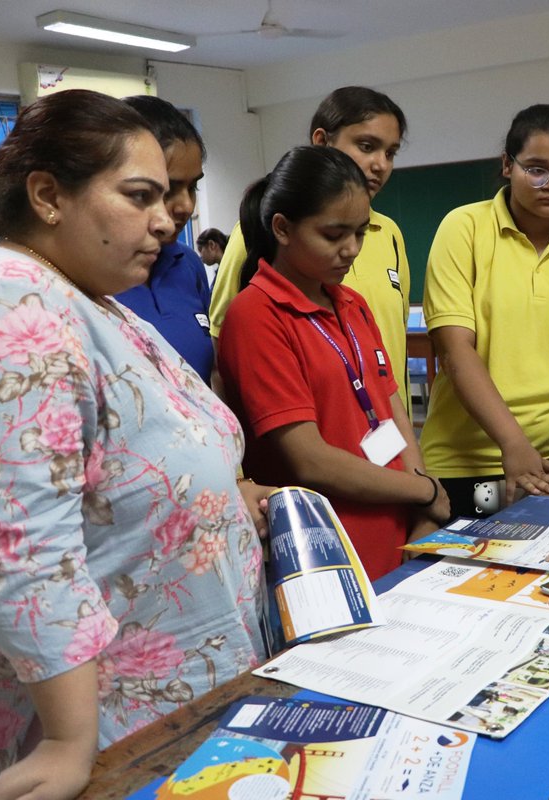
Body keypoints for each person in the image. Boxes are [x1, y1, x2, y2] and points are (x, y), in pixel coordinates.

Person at [0, 89, 271, 800]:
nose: (166, 221)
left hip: (161, 693)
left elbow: (132, 465)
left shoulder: (87, 299)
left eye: (169, 198)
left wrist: (234, 493)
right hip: (80, 717)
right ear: (47, 195)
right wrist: (70, 739)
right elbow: (14, 545)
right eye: (140, 196)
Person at [218, 145, 450, 580]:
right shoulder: (256, 314)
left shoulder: (353, 304)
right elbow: (311, 461)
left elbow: (393, 412)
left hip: (400, 536)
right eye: (333, 234)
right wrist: (424, 489)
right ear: (283, 229)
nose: (351, 249)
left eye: (360, 233)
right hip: (328, 551)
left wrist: (422, 515)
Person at [421, 104, 549, 516]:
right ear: (506, 165)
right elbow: (455, 350)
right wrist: (513, 444)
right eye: (536, 169)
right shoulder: (464, 228)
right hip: (474, 463)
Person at [209, 86, 413, 406]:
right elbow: (223, 354)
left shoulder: (389, 234)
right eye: (366, 146)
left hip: (386, 433)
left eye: (390, 152)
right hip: (305, 435)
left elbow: (393, 346)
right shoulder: (254, 233)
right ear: (321, 141)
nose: (381, 164)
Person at [113, 95, 215, 383]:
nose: (186, 206)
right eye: (169, 189)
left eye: (193, 187)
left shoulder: (188, 264)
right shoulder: (92, 280)